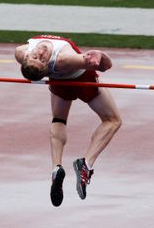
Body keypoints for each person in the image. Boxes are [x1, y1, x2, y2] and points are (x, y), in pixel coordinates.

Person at [14, 35, 121, 207]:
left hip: (59, 83)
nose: (40, 53)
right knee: (113, 120)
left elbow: (31, 71)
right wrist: (101, 55)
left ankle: (56, 167)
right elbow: (106, 66)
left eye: (36, 56)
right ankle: (86, 164)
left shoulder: (19, 52)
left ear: (26, 56)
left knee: (58, 120)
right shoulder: (63, 59)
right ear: (47, 66)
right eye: (42, 59)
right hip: (82, 80)